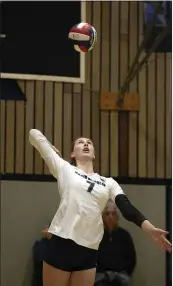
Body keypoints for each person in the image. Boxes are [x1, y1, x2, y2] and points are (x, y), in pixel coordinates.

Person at [29, 129, 171, 286]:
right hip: (61, 242)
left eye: (89, 143)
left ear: (94, 154)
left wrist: (149, 228)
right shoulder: (64, 168)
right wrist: (49, 145)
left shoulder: (108, 182)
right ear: (72, 154)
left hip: (88, 249)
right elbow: (33, 134)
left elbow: (126, 207)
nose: (86, 144)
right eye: (80, 142)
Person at [95, 199, 136, 286]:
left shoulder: (125, 235)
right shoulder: (96, 235)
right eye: (107, 214)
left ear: (117, 217)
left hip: (121, 277)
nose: (110, 217)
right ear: (102, 216)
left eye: (113, 214)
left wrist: (123, 273)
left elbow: (132, 259)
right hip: (101, 277)